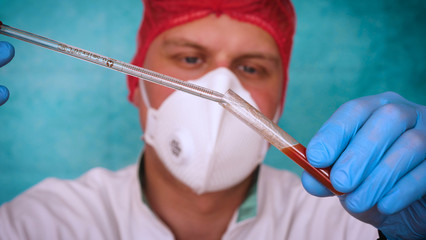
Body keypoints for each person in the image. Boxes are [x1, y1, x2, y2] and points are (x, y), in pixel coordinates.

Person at [0, 0, 425, 239]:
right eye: (190, 58)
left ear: (279, 101)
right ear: (136, 87)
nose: (221, 90)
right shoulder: (40, 225)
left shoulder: (349, 223)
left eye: (252, 68)